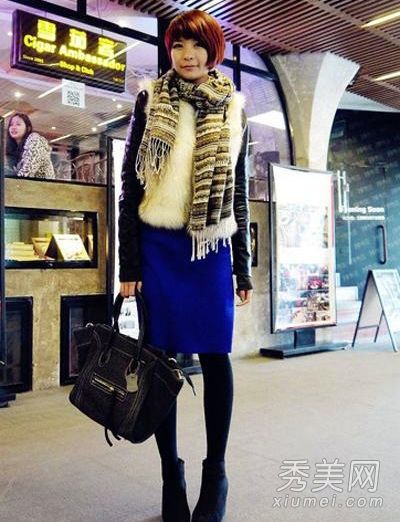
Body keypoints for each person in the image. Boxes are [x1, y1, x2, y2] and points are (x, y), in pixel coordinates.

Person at [118, 9, 252, 522]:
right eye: (178, 45)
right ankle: (170, 476)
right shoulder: (150, 99)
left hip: (210, 247)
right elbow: (130, 187)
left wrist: (241, 267)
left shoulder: (233, 108)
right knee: (161, 363)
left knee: (216, 357)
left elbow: (237, 192)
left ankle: (215, 474)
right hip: (159, 248)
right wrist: (128, 265)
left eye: (196, 45)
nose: (187, 55)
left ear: (213, 51)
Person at [6, 113, 55, 179]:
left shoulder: (35, 140)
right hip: (27, 184)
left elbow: (27, 172)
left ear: (28, 128)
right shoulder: (15, 148)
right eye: (11, 125)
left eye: (18, 124)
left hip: (42, 184)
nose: (13, 127)